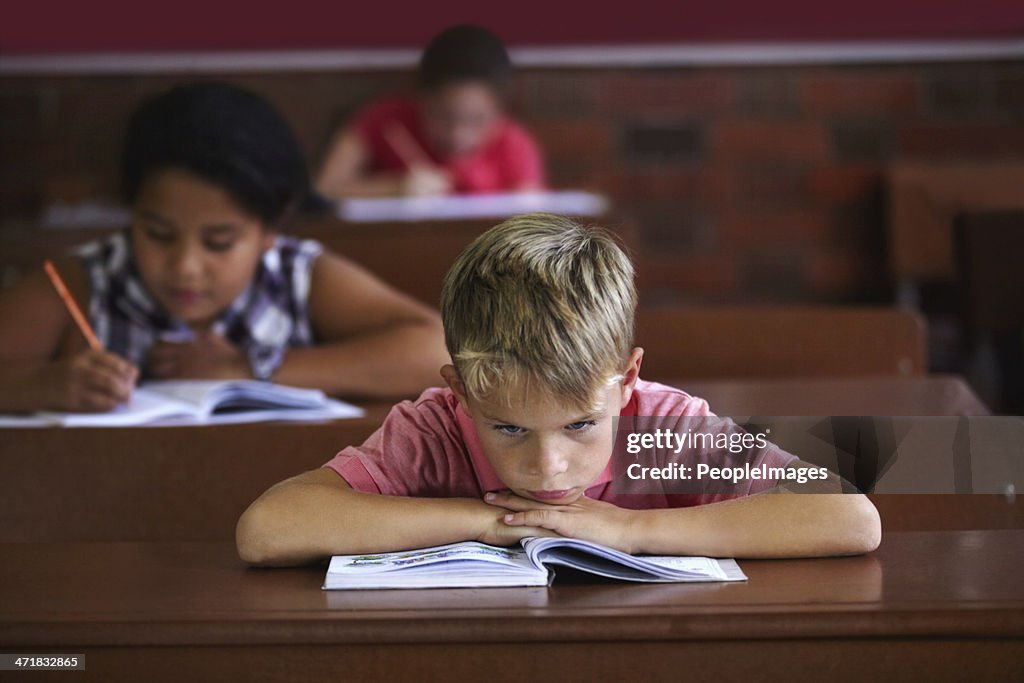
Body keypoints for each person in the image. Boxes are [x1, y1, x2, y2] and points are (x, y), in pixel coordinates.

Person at [236, 213, 881, 566]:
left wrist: (629, 532)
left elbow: (850, 516)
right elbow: (267, 530)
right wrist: (493, 523)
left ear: (625, 382)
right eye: (509, 429)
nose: (547, 467)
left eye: (579, 425)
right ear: (459, 391)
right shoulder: (433, 430)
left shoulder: (662, 427)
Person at [0, 82, 449, 413]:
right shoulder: (82, 280)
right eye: (157, 233)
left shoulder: (296, 276)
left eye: (219, 242)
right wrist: (39, 384)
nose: (185, 268)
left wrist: (249, 368)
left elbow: (436, 352)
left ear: (271, 228)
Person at [316, 24, 545, 199]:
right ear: (421, 98)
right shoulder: (383, 121)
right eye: (443, 116)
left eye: (476, 120)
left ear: (499, 110)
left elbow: (531, 206)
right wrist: (394, 188)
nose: (458, 134)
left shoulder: (514, 142)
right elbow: (323, 190)